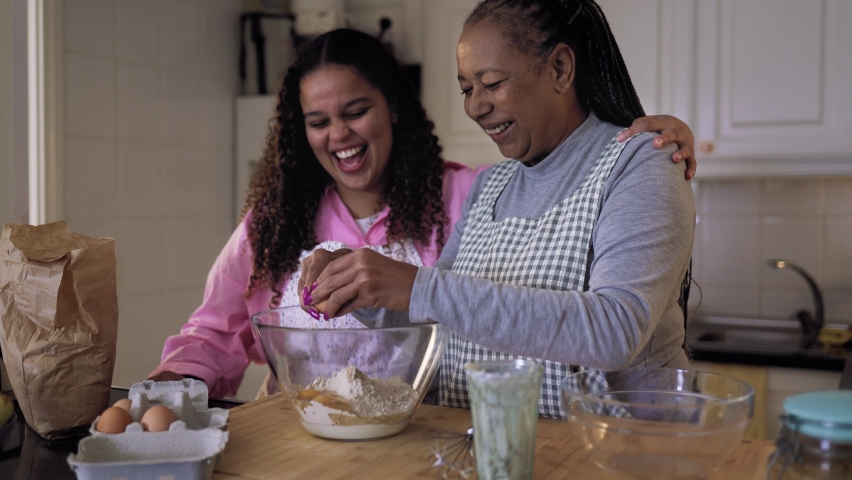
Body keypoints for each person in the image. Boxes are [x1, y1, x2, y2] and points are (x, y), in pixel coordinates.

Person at [149, 26, 696, 400]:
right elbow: (214, 334)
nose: (338, 134)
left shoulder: (471, 193)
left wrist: (649, 140)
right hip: (310, 435)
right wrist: (164, 392)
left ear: (394, 107)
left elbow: (558, 185)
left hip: (424, 433)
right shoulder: (272, 222)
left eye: (356, 111)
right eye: (318, 121)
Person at [300, 0, 696, 419]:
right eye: (467, 89)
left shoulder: (643, 163)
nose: (475, 107)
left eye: (491, 83)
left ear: (560, 68)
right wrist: (361, 288)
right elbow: (444, 328)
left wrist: (418, 286)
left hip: (610, 455)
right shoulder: (490, 185)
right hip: (491, 450)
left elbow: (615, 330)